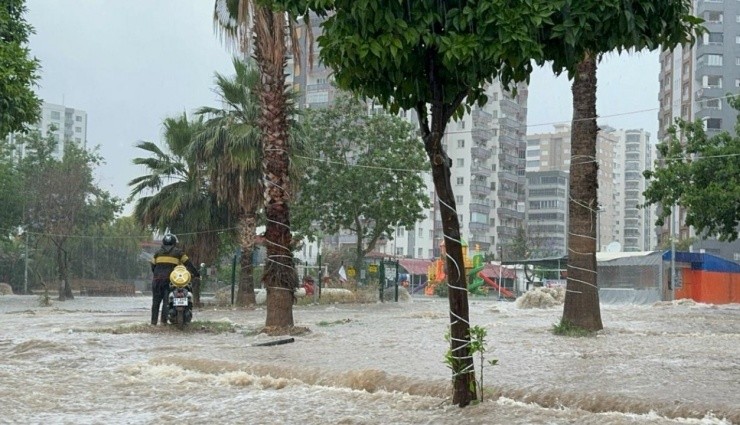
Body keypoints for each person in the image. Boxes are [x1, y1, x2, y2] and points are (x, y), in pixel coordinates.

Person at [150, 234, 200, 325]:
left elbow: (153, 267)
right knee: (167, 302)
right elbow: (188, 264)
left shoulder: (157, 253)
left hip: (157, 280)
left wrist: (157, 275)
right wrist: (196, 274)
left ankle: (153, 323)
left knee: (156, 302)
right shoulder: (179, 253)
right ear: (174, 243)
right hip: (170, 281)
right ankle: (163, 323)